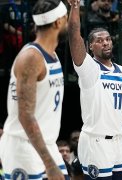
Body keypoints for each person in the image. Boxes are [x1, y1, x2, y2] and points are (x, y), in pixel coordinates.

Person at [67, 0, 122, 179]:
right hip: (96, 142)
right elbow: (74, 37)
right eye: (99, 40)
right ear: (90, 47)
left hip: (118, 142)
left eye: (108, 39)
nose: (105, 43)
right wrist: (75, 7)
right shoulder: (89, 69)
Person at [0, 0, 69, 179]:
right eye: (66, 19)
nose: (67, 23)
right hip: (23, 148)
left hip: (46, 145)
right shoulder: (31, 58)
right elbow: (26, 115)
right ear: (58, 22)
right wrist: (49, 164)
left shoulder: (52, 55)